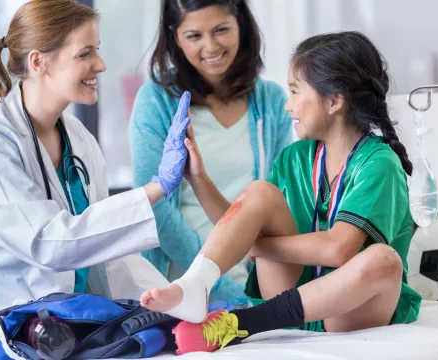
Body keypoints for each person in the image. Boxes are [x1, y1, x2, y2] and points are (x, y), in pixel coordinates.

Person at [140, 31, 422, 354]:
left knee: (384, 261)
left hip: (348, 312)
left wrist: (257, 245)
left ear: (334, 101)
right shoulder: (296, 157)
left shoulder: (378, 163)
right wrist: (198, 178)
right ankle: (195, 285)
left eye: (294, 91)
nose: (287, 104)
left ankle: (243, 323)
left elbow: (338, 250)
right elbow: (237, 227)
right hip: (289, 293)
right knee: (260, 193)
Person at [0, 0, 191, 340]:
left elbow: (108, 256)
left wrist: (182, 303)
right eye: (85, 54)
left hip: (62, 330)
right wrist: (156, 187)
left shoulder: (80, 140)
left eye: (96, 50)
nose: (100, 64)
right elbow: (48, 243)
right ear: (39, 61)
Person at [129, 0, 293, 303]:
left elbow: (282, 202)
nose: (210, 46)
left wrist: (255, 295)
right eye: (194, 36)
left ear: (240, 23)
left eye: (221, 30)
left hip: (258, 286)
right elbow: (154, 207)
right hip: (179, 285)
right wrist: (215, 284)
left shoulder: (272, 101)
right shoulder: (155, 99)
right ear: (174, 36)